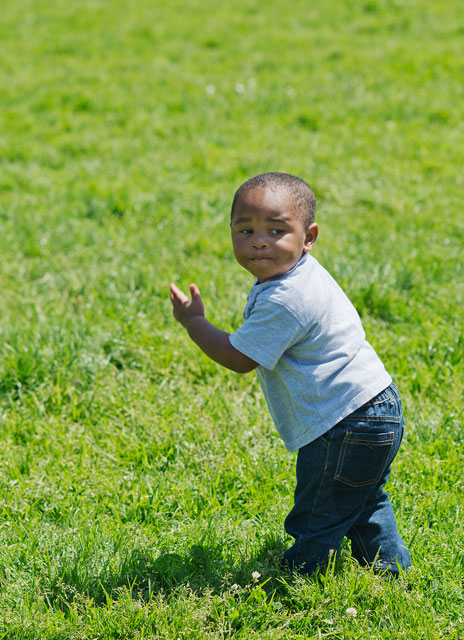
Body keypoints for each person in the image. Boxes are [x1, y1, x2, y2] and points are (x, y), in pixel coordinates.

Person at [169, 172, 411, 578]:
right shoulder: (298, 274)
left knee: (318, 513)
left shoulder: (287, 298)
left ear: (308, 236)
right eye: (245, 230)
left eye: (276, 231)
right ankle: (389, 572)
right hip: (373, 408)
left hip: (344, 422)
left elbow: (239, 358)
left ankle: (298, 580)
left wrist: (195, 323)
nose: (259, 241)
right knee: (362, 500)